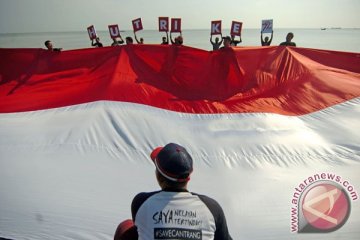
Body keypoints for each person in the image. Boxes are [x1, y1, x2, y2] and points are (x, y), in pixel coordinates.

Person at [131, 143, 233, 240]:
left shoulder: (141, 203)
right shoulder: (212, 208)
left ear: (158, 175)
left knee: (126, 228)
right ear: (189, 176)